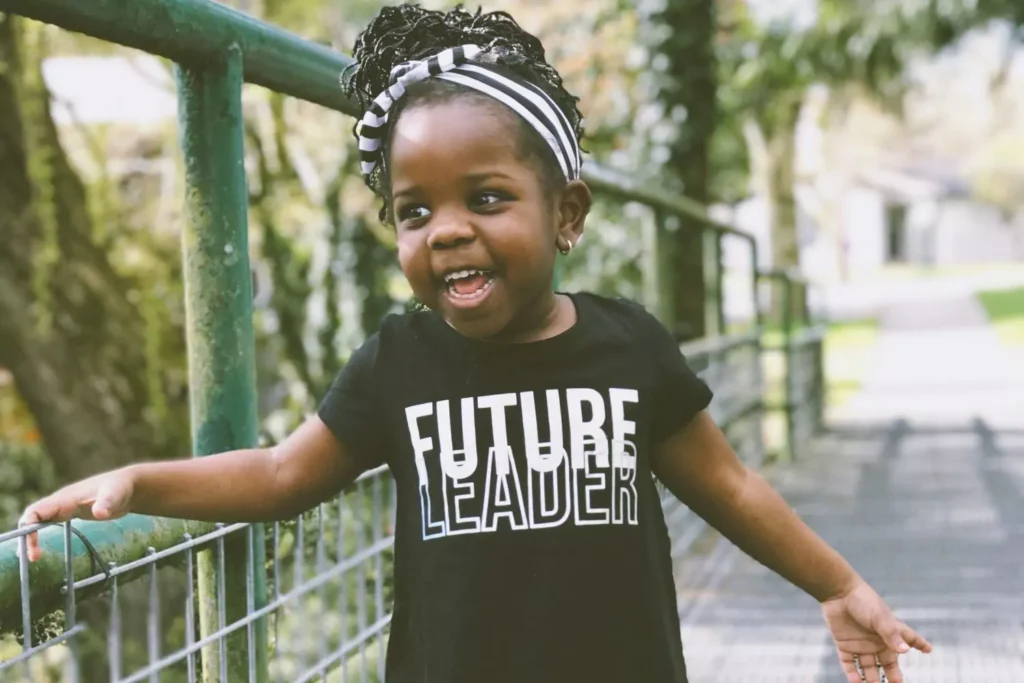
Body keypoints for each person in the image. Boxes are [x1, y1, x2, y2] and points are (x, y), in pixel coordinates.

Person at [19, 4, 931, 683]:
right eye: (415, 212)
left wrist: (837, 583)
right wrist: (140, 481)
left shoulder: (628, 346)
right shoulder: (398, 360)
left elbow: (729, 483)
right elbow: (278, 474)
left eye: (485, 199)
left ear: (566, 212)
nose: (445, 230)